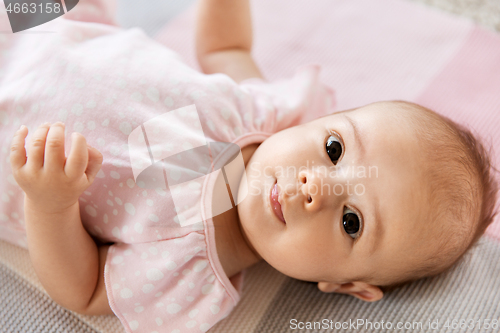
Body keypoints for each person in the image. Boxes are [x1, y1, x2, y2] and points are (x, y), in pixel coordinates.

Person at [1, 0, 497, 332]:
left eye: (352, 221)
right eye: (334, 150)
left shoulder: (188, 276)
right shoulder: (264, 115)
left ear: (347, 285)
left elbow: (83, 289)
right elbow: (225, 49)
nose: (314, 186)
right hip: (49, 26)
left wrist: (51, 203)